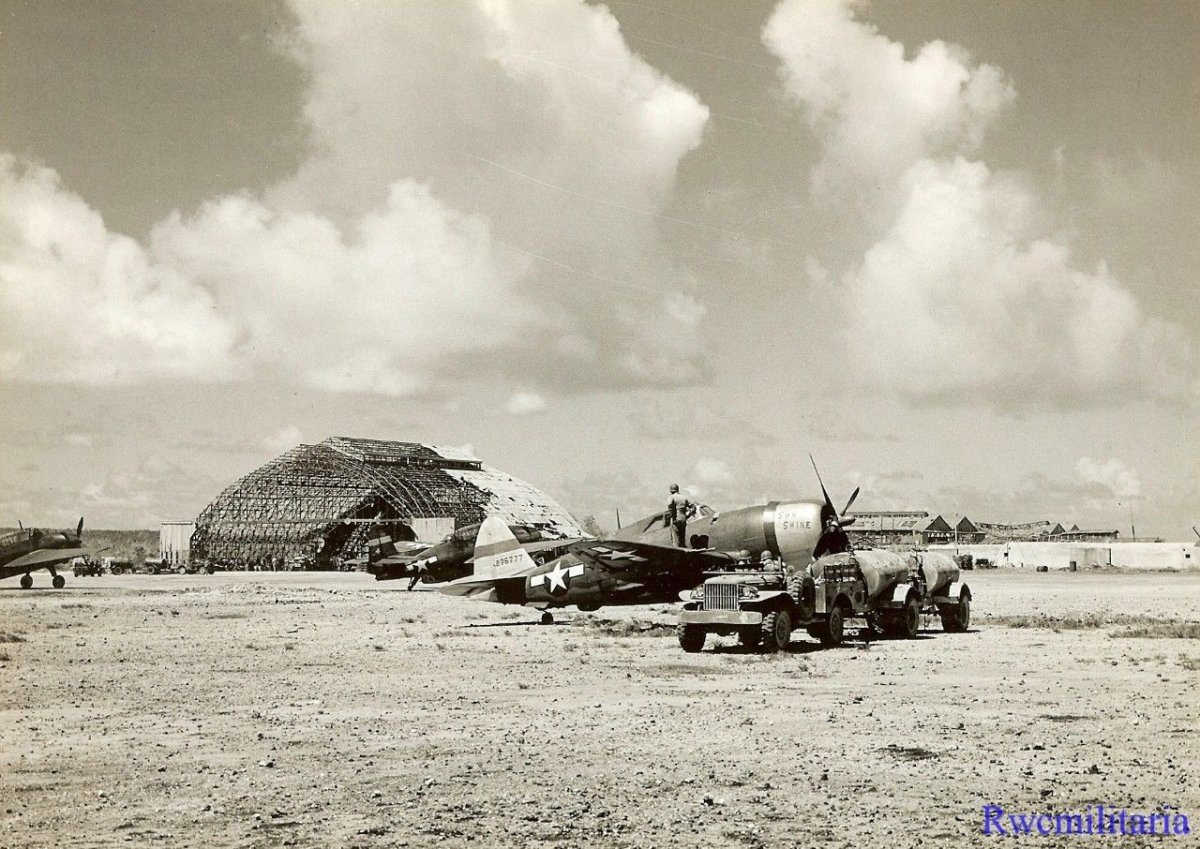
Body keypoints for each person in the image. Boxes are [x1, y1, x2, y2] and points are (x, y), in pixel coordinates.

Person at [665, 483, 695, 547]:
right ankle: (683, 548)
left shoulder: (671, 497)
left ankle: (676, 551)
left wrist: (673, 517)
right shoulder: (684, 497)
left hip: (675, 519)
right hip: (683, 519)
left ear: (671, 491)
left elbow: (670, 507)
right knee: (682, 538)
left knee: (675, 539)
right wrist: (688, 515)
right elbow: (693, 506)